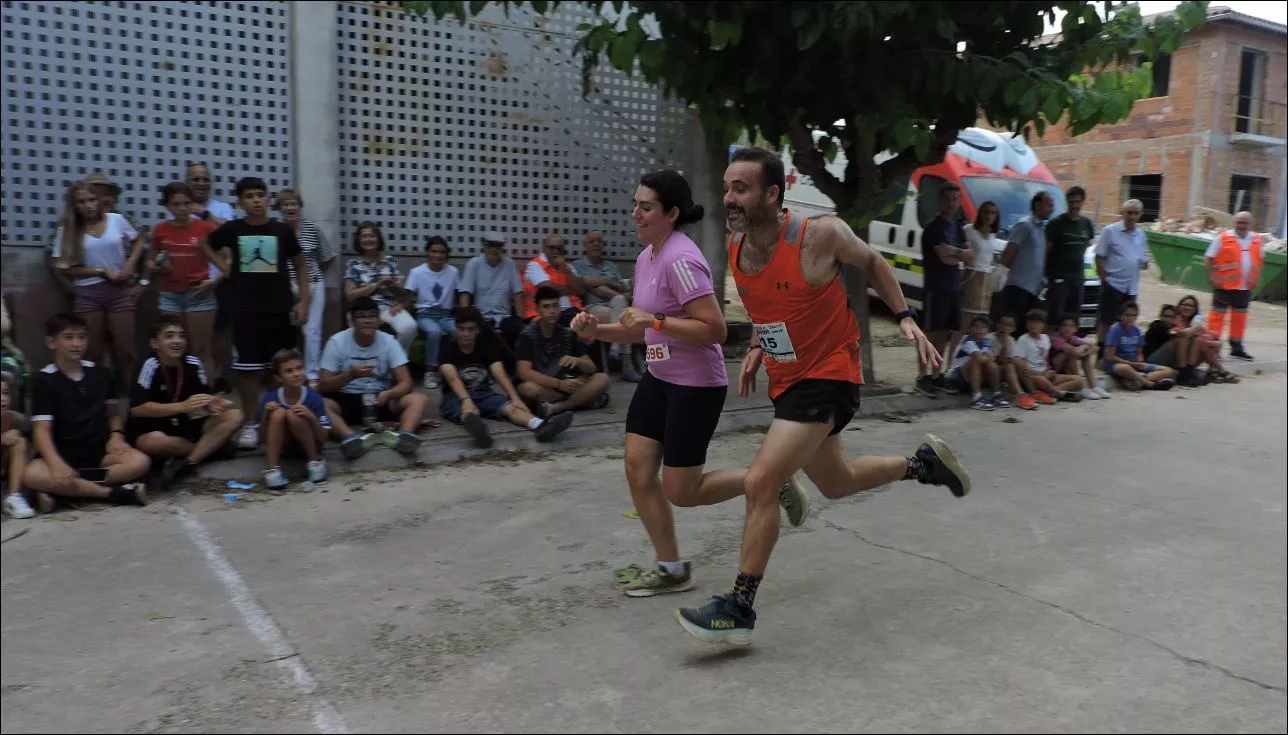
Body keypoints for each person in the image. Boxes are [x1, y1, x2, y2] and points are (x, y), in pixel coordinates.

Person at [673, 147, 969, 646]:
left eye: (740, 189)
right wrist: (760, 350)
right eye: (726, 188)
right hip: (788, 380)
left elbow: (873, 261)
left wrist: (905, 318)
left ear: (771, 193)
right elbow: (775, 306)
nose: (730, 198)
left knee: (762, 480)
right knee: (836, 481)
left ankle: (739, 605)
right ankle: (922, 464)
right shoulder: (737, 247)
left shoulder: (819, 236)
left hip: (831, 376)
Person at [571, 169, 808, 597]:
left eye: (646, 207)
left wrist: (656, 320)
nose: (635, 214)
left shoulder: (682, 259)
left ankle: (769, 479)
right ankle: (672, 568)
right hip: (659, 377)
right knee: (638, 470)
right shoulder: (646, 258)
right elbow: (643, 329)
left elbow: (715, 330)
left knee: (683, 491)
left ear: (671, 213)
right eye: (635, 205)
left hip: (695, 385)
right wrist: (596, 332)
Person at [206, 177, 310, 450]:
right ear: (240, 202)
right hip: (245, 310)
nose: (256, 200)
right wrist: (224, 268)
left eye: (261, 195)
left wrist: (304, 302)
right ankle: (252, 422)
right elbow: (205, 245)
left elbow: (301, 265)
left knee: (286, 368)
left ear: (268, 199)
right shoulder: (232, 229)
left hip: (279, 308)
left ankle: (287, 417)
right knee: (248, 372)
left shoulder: (282, 231)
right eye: (250, 196)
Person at [21, 314, 150, 507]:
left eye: (82, 337)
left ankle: (65, 492)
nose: (77, 343)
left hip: (100, 453)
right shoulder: (43, 380)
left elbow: (113, 412)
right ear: (51, 342)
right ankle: (113, 493)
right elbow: (41, 429)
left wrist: (116, 435)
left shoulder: (102, 373)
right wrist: (56, 464)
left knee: (140, 461)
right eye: (69, 337)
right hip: (63, 452)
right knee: (31, 474)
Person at [127, 316, 244, 488]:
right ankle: (211, 448)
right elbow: (137, 409)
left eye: (181, 336)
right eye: (169, 336)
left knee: (235, 415)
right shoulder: (149, 364)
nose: (177, 341)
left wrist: (212, 404)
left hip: (183, 426)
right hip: (151, 430)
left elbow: (203, 399)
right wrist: (181, 406)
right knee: (153, 441)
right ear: (155, 343)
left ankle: (188, 463)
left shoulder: (193, 363)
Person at [50, 181, 147, 386]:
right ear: (74, 205)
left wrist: (130, 264)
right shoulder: (67, 229)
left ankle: (131, 394)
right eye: (81, 202)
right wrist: (100, 271)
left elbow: (139, 240)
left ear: (100, 200)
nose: (88, 205)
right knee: (91, 350)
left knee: (126, 349)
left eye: (92, 200)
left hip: (119, 290)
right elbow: (63, 267)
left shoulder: (116, 220)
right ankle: (96, 394)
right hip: (88, 291)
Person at [440, 306, 573, 448]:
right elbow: (452, 378)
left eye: (470, 329)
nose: (466, 333)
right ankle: (478, 430)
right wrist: (466, 400)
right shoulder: (447, 349)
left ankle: (540, 426)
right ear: (455, 328)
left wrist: (514, 398)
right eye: (461, 329)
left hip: (483, 392)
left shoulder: (486, 348)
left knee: (510, 408)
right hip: (455, 395)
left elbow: (500, 373)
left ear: (478, 330)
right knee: (467, 412)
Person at [319, 297, 429, 456]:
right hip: (346, 398)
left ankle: (404, 436)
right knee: (321, 403)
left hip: (380, 398)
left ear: (378, 320)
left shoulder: (388, 341)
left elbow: (406, 382)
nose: (367, 321)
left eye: (372, 316)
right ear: (352, 320)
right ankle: (350, 438)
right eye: (362, 316)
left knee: (419, 399)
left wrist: (389, 394)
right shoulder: (337, 342)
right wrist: (350, 374)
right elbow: (324, 385)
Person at [149, 182, 219, 380]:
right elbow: (150, 259)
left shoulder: (205, 228)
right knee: (173, 349)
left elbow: (227, 258)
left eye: (186, 203)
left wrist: (213, 281)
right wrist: (156, 266)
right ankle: (177, 397)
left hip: (199, 293)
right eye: (176, 204)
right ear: (167, 206)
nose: (182, 209)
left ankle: (206, 398)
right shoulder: (160, 229)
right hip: (169, 294)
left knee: (201, 350)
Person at [181, 163, 237, 392]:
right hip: (189, 282)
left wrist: (204, 214)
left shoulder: (221, 208)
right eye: (196, 179)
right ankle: (197, 378)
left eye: (205, 179)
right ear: (187, 182)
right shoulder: (180, 208)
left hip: (219, 280)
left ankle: (222, 375)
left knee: (221, 333)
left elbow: (228, 232)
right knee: (192, 336)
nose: (201, 183)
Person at [516, 286, 612, 416]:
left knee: (602, 379)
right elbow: (524, 372)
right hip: (547, 386)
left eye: (555, 306)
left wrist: (578, 361)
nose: (552, 311)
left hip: (568, 386)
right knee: (528, 389)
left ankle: (557, 408)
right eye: (546, 307)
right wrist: (559, 384)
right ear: (538, 309)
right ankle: (582, 401)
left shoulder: (567, 334)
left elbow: (591, 368)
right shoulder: (527, 335)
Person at [275, 188, 336, 384]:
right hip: (284, 287)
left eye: (294, 204)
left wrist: (313, 277)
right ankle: (283, 373)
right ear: (279, 208)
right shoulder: (275, 231)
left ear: (300, 207)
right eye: (286, 204)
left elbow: (327, 257)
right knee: (284, 330)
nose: (290, 207)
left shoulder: (312, 229)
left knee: (312, 331)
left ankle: (311, 374)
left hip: (313, 284)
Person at [916, 184, 971, 396]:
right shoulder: (933, 229)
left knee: (944, 334)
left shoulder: (958, 226)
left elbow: (969, 255)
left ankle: (937, 375)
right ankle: (922, 377)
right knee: (928, 334)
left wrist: (955, 252)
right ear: (940, 201)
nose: (951, 204)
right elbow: (944, 258)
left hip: (953, 288)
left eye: (955, 199)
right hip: (935, 289)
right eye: (947, 199)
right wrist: (959, 254)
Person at [258, 349, 334, 490]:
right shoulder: (270, 398)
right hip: (283, 446)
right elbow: (261, 438)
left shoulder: (313, 398)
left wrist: (310, 417)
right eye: (289, 371)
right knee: (278, 413)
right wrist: (266, 415)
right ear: (278, 378)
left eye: (299, 368)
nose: (296, 374)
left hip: (309, 444)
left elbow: (323, 437)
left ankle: (314, 462)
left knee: (294, 414)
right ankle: (272, 469)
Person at [572, 230, 641, 382]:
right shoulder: (579, 265)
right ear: (586, 245)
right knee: (623, 311)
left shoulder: (610, 265)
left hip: (615, 307)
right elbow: (592, 288)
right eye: (592, 241)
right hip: (593, 307)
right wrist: (616, 292)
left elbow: (621, 287)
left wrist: (604, 281)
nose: (596, 244)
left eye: (599, 241)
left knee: (620, 306)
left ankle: (616, 347)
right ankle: (627, 367)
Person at [344, 222, 418, 352]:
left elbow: (403, 295)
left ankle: (396, 361)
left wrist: (392, 285)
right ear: (359, 240)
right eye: (364, 236)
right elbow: (350, 296)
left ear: (378, 239)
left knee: (409, 327)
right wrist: (376, 284)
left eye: (371, 236)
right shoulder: (353, 264)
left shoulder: (390, 261)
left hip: (388, 307)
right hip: (362, 309)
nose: (368, 239)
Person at [1204, 211, 1261, 361]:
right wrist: (1212, 278)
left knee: (1240, 318)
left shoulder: (1256, 239)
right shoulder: (1223, 237)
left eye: (1245, 223)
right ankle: (1212, 347)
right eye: (1239, 222)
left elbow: (1259, 260)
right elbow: (1208, 258)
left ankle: (1237, 347)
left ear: (1250, 223)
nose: (1241, 225)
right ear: (1233, 222)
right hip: (1224, 286)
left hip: (1245, 287)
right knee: (1217, 318)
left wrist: (1256, 278)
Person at [1095, 199, 1150, 354]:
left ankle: (1118, 353)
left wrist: (1144, 262)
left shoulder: (1141, 234)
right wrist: (1103, 278)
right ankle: (1101, 354)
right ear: (1122, 212)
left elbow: (1143, 255)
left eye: (1136, 213)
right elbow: (1098, 256)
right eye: (1129, 212)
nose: (1132, 216)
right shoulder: (1110, 231)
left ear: (1140, 215)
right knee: (1106, 320)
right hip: (1113, 283)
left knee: (1126, 321)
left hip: (1131, 286)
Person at [406, 235, 460, 389]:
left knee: (459, 331)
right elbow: (408, 296)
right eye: (434, 251)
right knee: (434, 332)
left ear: (446, 255)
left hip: (445, 315)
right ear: (428, 253)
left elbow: (460, 293)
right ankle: (430, 372)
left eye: (442, 252)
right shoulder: (417, 272)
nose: (437, 255)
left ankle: (455, 369)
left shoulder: (453, 272)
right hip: (425, 315)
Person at [458, 231, 527, 350]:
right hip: (481, 316)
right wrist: (464, 319)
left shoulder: (509, 264)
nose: (494, 250)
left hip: (504, 316)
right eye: (491, 246)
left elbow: (517, 294)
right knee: (484, 332)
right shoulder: (474, 264)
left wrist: (521, 320)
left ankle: (508, 365)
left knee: (517, 327)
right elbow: (465, 293)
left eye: (498, 246)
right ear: (484, 247)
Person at [1000, 191, 1053, 332]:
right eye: (1048, 205)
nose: (1051, 209)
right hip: (1018, 287)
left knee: (1026, 330)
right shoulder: (1024, 225)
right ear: (1037, 204)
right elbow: (1009, 251)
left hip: (1034, 289)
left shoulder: (1043, 229)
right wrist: (1002, 276)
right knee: (1014, 329)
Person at [1011, 309, 1085, 404]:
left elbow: (1045, 358)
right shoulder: (1023, 339)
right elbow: (1018, 361)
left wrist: (1048, 370)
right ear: (1026, 324)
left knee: (1078, 380)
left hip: (1047, 375)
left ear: (1043, 325)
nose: (1034, 325)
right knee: (1041, 379)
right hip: (1033, 377)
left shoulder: (1045, 338)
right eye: (1031, 322)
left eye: (1037, 322)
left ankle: (1049, 393)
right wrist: (1038, 374)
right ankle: (1060, 394)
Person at [1044, 186, 1096, 321]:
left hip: (1078, 279)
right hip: (1059, 279)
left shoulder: (1087, 224)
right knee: (1055, 319)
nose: (1075, 206)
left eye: (1078, 202)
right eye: (1071, 202)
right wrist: (1046, 275)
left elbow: (1090, 247)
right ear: (1067, 202)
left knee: (1072, 320)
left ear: (1083, 202)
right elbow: (1046, 250)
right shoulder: (1056, 224)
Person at [1103, 302, 1176, 390]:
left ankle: (1137, 379)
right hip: (1117, 364)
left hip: (1134, 364)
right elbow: (1110, 356)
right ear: (1121, 316)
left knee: (1168, 371)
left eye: (1133, 315)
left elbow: (1139, 352)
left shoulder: (1136, 330)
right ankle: (1150, 384)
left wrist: (1140, 361)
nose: (1130, 318)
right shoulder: (1115, 330)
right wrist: (1131, 363)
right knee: (1124, 368)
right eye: (1127, 315)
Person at [944, 316, 1006, 411]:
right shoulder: (968, 340)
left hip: (972, 376)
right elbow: (980, 358)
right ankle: (976, 398)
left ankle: (996, 394)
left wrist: (987, 358)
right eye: (976, 327)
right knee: (975, 361)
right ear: (971, 329)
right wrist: (987, 357)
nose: (980, 330)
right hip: (956, 378)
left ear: (988, 330)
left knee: (992, 365)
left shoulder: (986, 341)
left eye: (983, 327)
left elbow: (992, 358)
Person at [523, 234, 586, 324]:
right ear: (544, 248)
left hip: (572, 311)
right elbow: (547, 290)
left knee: (589, 322)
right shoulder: (535, 265)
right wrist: (572, 290)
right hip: (542, 314)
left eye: (559, 248)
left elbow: (581, 291)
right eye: (552, 248)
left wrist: (566, 270)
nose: (555, 251)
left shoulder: (567, 267)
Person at [1175, 294, 1237, 383]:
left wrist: (1214, 343)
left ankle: (1213, 371)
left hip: (1190, 357)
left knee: (1207, 342)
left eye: (1191, 306)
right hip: (1177, 357)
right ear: (1179, 306)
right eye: (1185, 305)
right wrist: (1196, 329)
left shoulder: (1193, 320)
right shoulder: (1177, 318)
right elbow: (1183, 334)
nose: (1187, 308)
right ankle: (1220, 371)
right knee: (1202, 343)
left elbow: (1210, 334)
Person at [2, 372, 37, 518]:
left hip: (7, 474)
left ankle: (14, 497)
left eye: (5, 393)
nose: (3, 399)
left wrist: (18, 432)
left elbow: (35, 434)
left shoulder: (14, 418)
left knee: (20, 442)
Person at [1051, 314, 1110, 398]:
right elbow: (1074, 351)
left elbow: (1095, 347)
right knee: (1072, 353)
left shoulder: (1073, 338)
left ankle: (1094, 387)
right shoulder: (1056, 338)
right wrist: (1085, 349)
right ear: (1060, 328)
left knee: (1083, 353)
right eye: (1065, 325)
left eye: (1071, 326)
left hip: (1066, 371)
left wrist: (1084, 347)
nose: (1067, 328)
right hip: (1054, 371)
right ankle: (1083, 388)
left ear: (1076, 329)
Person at [962, 200, 999, 325]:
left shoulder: (993, 234)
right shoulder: (969, 230)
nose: (989, 216)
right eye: (986, 212)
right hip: (972, 277)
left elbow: (990, 257)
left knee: (981, 322)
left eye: (993, 213)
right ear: (980, 213)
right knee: (966, 319)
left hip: (987, 279)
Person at [992, 313, 1034, 409]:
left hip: (1003, 371)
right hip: (991, 373)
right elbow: (999, 361)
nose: (1004, 327)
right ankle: (1020, 395)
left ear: (1013, 328)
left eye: (1008, 325)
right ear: (997, 325)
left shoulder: (1011, 340)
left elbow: (1011, 360)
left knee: (1016, 363)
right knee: (1011, 365)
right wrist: (1004, 343)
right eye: (1002, 323)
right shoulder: (990, 338)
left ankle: (1032, 393)